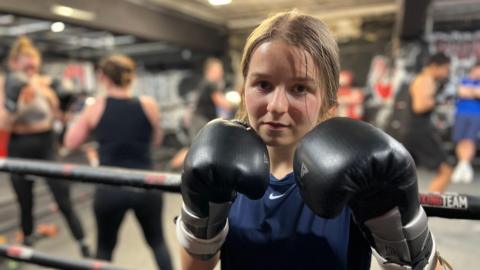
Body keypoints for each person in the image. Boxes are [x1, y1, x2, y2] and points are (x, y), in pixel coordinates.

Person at [175, 10, 448, 270]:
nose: (277, 105)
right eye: (263, 85)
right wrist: (199, 217)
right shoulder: (222, 162)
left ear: (329, 102)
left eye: (299, 88)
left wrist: (402, 228)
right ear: (244, 88)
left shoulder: (356, 173)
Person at [63, 54, 173, 270]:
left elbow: (70, 142)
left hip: (111, 186)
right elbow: (157, 139)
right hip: (146, 184)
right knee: (158, 242)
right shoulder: (148, 104)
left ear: (102, 76)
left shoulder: (96, 106)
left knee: (104, 249)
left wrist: (77, 116)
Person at [0, 36, 89, 256]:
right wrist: (15, 102)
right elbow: (3, 123)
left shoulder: (45, 83)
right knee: (25, 201)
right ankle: (27, 245)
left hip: (46, 144)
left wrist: (62, 103)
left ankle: (83, 244)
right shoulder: (5, 84)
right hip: (19, 146)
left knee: (63, 198)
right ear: (14, 63)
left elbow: (60, 118)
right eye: (25, 63)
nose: (30, 68)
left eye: (33, 63)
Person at [169, 57, 233, 170]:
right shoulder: (210, 83)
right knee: (195, 147)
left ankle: (171, 168)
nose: (221, 72)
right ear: (211, 70)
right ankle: (171, 169)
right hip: (199, 120)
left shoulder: (205, 83)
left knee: (194, 147)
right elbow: (221, 102)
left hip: (198, 119)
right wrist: (238, 104)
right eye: (219, 69)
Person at [402, 53, 453, 193]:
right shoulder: (426, 80)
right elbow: (419, 107)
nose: (447, 72)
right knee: (446, 170)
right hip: (419, 131)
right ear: (435, 66)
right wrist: (439, 99)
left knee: (405, 174)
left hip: (414, 130)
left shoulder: (424, 79)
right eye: (446, 68)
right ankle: (432, 207)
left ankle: (409, 210)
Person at [451, 62, 480, 183]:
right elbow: (460, 91)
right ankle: (462, 165)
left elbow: (477, 93)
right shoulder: (463, 79)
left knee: (470, 140)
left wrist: (470, 92)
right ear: (474, 69)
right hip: (460, 114)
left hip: (476, 115)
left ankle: (465, 166)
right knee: (460, 140)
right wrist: (473, 92)